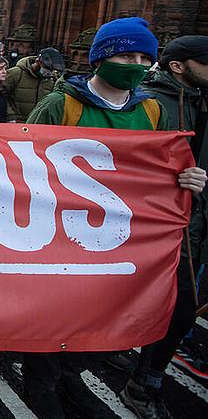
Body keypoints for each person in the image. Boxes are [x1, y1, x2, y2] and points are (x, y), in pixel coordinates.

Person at [22, 18, 207, 418]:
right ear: (102, 58)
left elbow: (159, 169)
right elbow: (18, 158)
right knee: (54, 311)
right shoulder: (61, 104)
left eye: (145, 57)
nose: (136, 64)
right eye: (127, 55)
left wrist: (186, 177)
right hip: (58, 231)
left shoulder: (153, 110)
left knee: (99, 311)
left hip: (117, 236)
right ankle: (41, 382)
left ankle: (73, 374)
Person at [118, 35, 208, 417]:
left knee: (185, 306)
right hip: (156, 221)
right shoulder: (150, 105)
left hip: (196, 221)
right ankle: (143, 382)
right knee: (164, 300)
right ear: (179, 65)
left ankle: (146, 374)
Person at [4, 47, 65, 122]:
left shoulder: (52, 80)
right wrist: (10, 116)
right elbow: (2, 95)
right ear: (37, 61)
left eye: (51, 71)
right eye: (46, 69)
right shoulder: (16, 73)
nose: (48, 73)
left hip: (37, 123)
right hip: (17, 122)